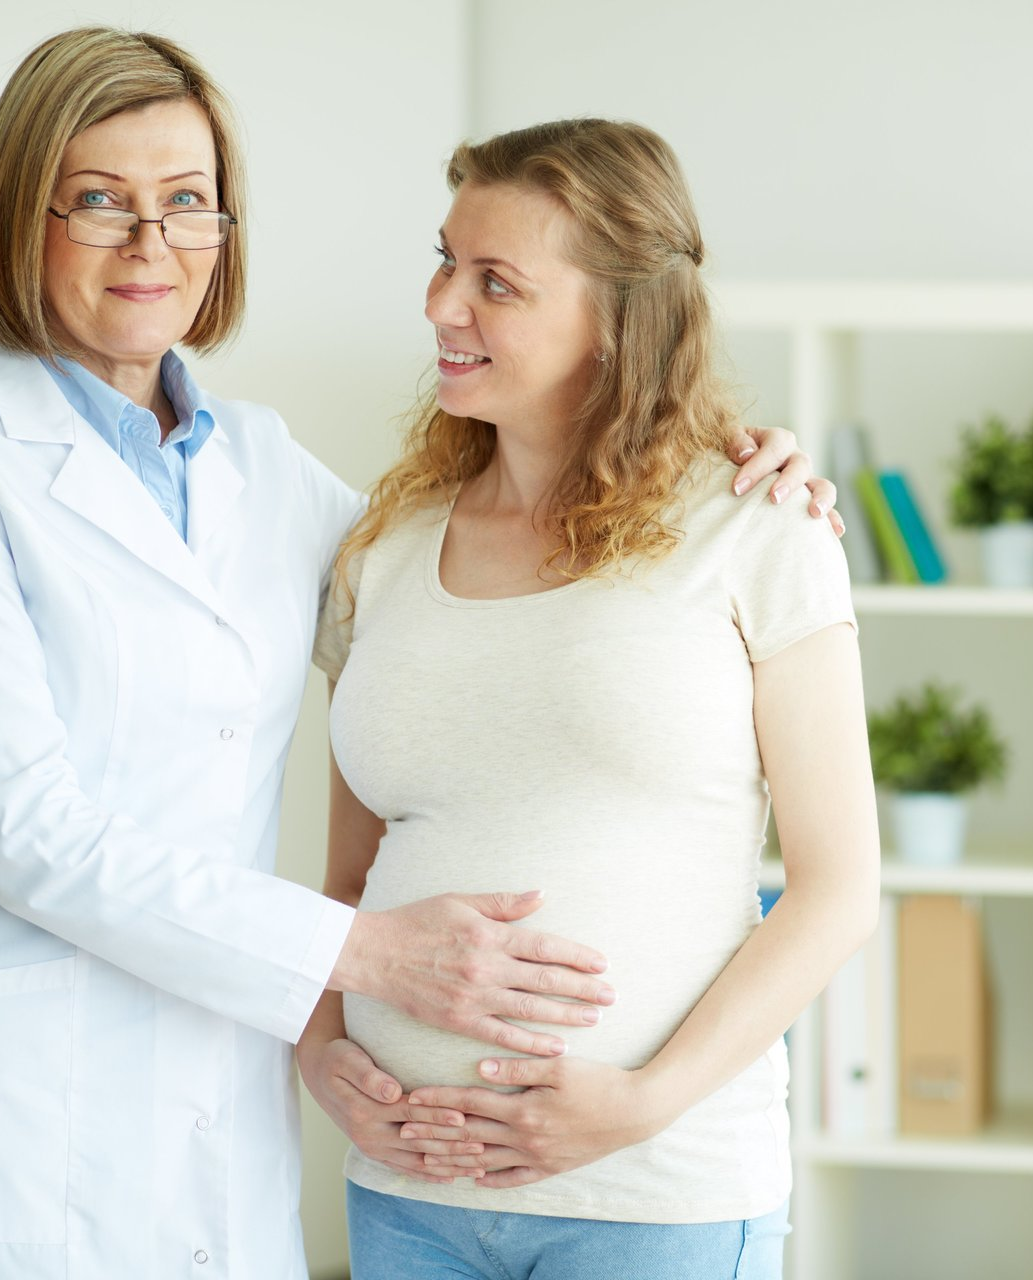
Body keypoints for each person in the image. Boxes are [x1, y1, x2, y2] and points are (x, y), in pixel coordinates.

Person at [0, 27, 840, 1280]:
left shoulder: (268, 471)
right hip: (14, 1100)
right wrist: (363, 961)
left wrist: (720, 454)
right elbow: (23, 829)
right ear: (16, 217)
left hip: (234, 1104)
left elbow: (503, 582)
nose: (150, 243)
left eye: (186, 201)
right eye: (97, 200)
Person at [301, 118, 880, 1280]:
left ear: (619, 319)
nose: (441, 304)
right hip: (408, 1191)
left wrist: (643, 1100)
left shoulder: (758, 527)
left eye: (496, 282)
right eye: (446, 260)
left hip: (655, 1195)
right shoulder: (384, 549)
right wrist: (321, 1052)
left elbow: (837, 889)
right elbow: (350, 884)